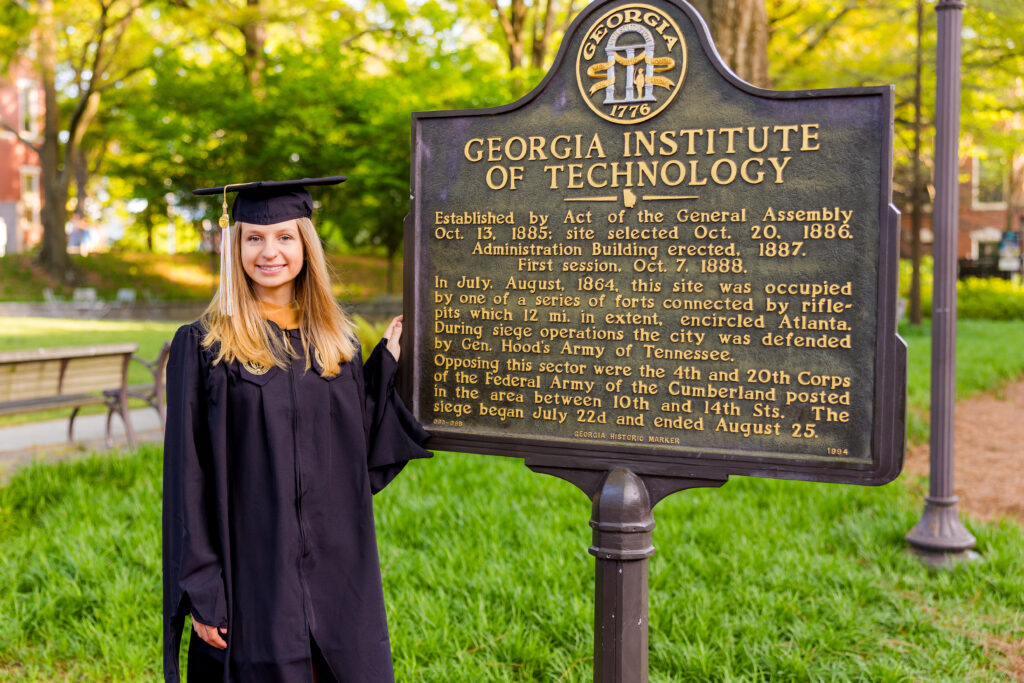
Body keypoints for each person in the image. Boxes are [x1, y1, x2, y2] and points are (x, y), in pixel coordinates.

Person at [163, 177, 431, 682]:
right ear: (234, 246)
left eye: (285, 237)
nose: (270, 252)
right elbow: (188, 475)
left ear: (305, 245)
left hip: (336, 563)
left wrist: (385, 365)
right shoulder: (205, 346)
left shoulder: (334, 343)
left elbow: (359, 451)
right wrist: (204, 586)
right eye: (255, 238)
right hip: (252, 567)